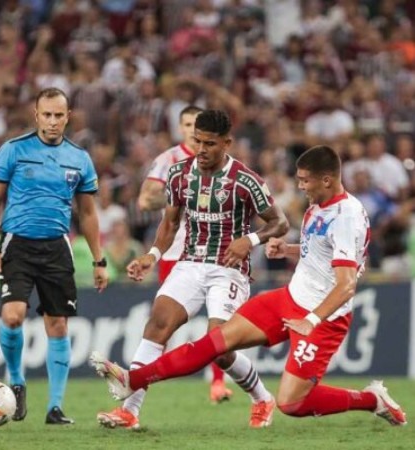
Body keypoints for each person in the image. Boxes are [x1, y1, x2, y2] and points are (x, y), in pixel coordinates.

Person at [91, 145, 408, 427]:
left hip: (323, 318)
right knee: (215, 342)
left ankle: (372, 400)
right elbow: (321, 251)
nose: (300, 186)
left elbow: (346, 285)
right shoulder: (320, 204)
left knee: (292, 404)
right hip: (289, 298)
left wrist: (311, 320)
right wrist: (288, 249)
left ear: (326, 179)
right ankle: (133, 379)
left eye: (304, 180)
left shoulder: (346, 215)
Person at [96, 110, 289, 430]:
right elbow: (170, 223)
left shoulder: (245, 179)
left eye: (209, 144)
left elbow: (280, 222)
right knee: (158, 322)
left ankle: (262, 397)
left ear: (226, 143)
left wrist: (250, 239)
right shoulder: (179, 174)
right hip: (189, 263)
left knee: (219, 347)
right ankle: (130, 411)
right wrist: (152, 255)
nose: (201, 149)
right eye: (197, 141)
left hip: (228, 269)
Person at [0, 87, 109, 425]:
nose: (53, 122)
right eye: (47, 115)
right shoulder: (14, 150)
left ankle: (55, 407)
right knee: (13, 316)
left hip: (56, 247)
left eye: (59, 115)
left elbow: (87, 213)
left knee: (57, 324)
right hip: (17, 245)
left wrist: (99, 260)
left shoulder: (79, 158)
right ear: (36, 115)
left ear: (68, 117)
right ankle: (17, 380)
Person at [137, 104, 234, 405]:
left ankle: (218, 384)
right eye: (189, 124)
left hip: (214, 255)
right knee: (162, 323)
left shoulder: (224, 165)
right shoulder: (169, 162)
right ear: (181, 129)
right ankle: (135, 396)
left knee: (218, 326)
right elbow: (144, 201)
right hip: (174, 253)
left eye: (198, 124)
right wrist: (177, 195)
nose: (194, 131)